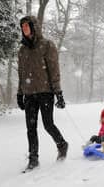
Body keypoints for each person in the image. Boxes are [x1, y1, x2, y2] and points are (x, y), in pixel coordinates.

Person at [16, 16, 68, 170]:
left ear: (34, 27)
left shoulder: (47, 46)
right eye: (22, 27)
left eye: (27, 26)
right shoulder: (22, 50)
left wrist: (58, 92)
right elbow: (21, 74)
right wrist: (20, 93)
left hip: (45, 92)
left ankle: (62, 144)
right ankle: (33, 158)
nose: (24, 29)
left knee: (48, 124)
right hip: (29, 94)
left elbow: (54, 70)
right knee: (31, 128)